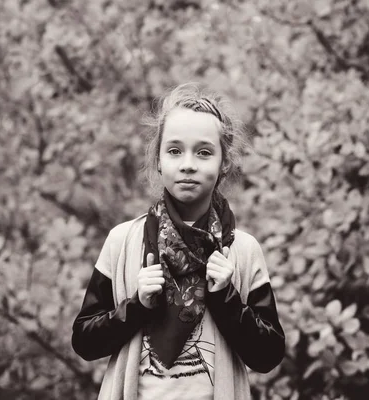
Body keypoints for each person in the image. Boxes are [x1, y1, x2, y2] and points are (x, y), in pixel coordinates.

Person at [72, 83, 285, 400]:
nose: (188, 164)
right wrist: (136, 306)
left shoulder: (242, 250)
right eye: (174, 150)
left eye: (204, 152)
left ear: (223, 162)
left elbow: (267, 356)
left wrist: (226, 297)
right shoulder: (123, 242)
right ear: (158, 159)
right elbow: (85, 343)